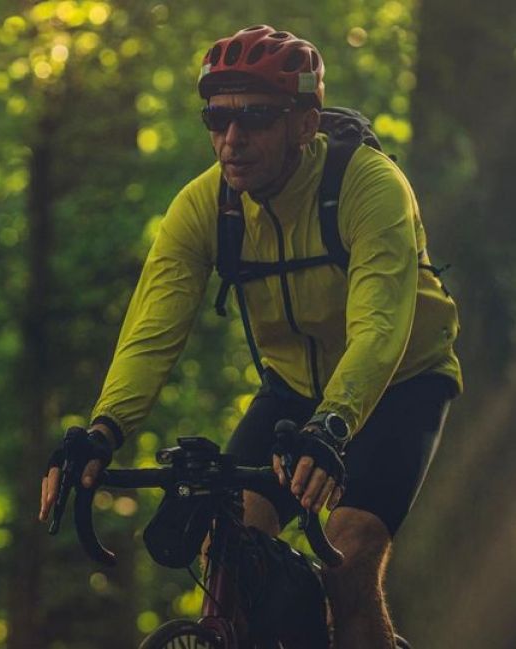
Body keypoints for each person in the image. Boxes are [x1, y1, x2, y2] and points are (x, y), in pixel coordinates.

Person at [39, 25, 462, 649]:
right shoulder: (205, 207)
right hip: (293, 391)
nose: (231, 140)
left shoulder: (368, 187)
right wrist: (103, 430)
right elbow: (151, 332)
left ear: (304, 122)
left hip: (400, 382)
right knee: (228, 552)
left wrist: (334, 426)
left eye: (256, 118)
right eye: (216, 118)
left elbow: (379, 326)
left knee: (348, 557)